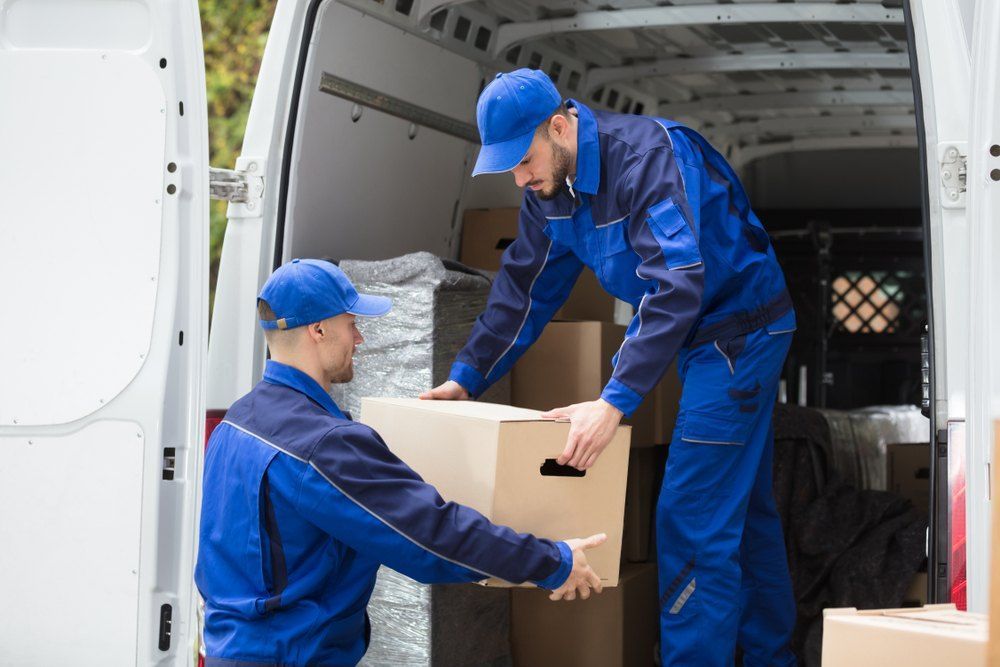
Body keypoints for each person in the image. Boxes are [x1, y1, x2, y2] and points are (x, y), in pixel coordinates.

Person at [421, 69, 798, 666]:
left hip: (739, 333)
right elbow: (524, 290)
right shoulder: (550, 194)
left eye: (524, 160)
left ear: (561, 125)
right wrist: (465, 378)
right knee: (741, 513)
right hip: (699, 336)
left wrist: (613, 402)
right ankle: (773, 658)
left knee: (692, 515)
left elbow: (676, 286)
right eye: (509, 169)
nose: (521, 179)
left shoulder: (645, 160)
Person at [195, 258, 606, 667]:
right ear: (318, 330)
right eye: (350, 323)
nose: (358, 338)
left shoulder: (237, 422)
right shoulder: (323, 445)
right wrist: (552, 561)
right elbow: (433, 537)